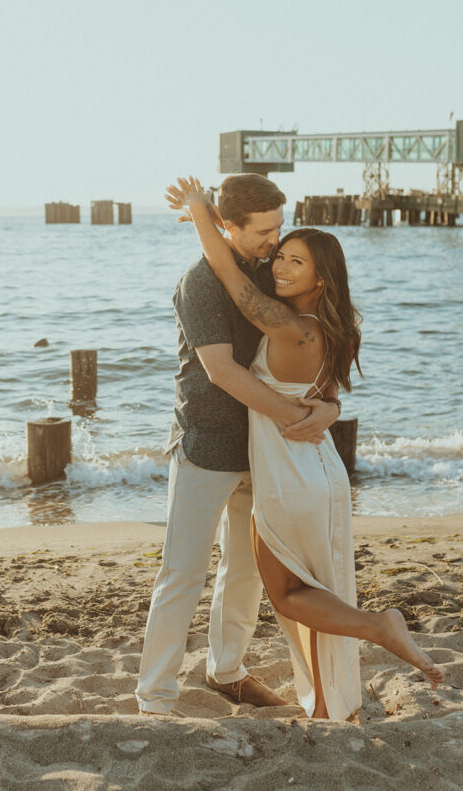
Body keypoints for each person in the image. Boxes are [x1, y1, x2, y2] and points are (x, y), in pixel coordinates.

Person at [164, 175, 445, 720]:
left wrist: (205, 215)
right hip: (316, 470)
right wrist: (327, 411)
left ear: (321, 278)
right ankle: (327, 703)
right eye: (281, 255)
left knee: (291, 596)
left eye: (295, 262)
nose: (280, 266)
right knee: (313, 590)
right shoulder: (323, 326)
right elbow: (329, 393)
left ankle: (377, 628)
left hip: (293, 476)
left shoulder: (290, 326)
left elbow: (228, 275)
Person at [135, 173, 341, 718]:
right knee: (183, 572)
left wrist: (329, 406)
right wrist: (299, 418)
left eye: (279, 227)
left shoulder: (270, 275)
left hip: (262, 449)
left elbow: (309, 338)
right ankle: (154, 697)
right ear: (230, 226)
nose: (275, 242)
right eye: (264, 231)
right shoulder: (198, 283)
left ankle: (226, 670)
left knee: (245, 570)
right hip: (206, 443)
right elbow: (221, 370)